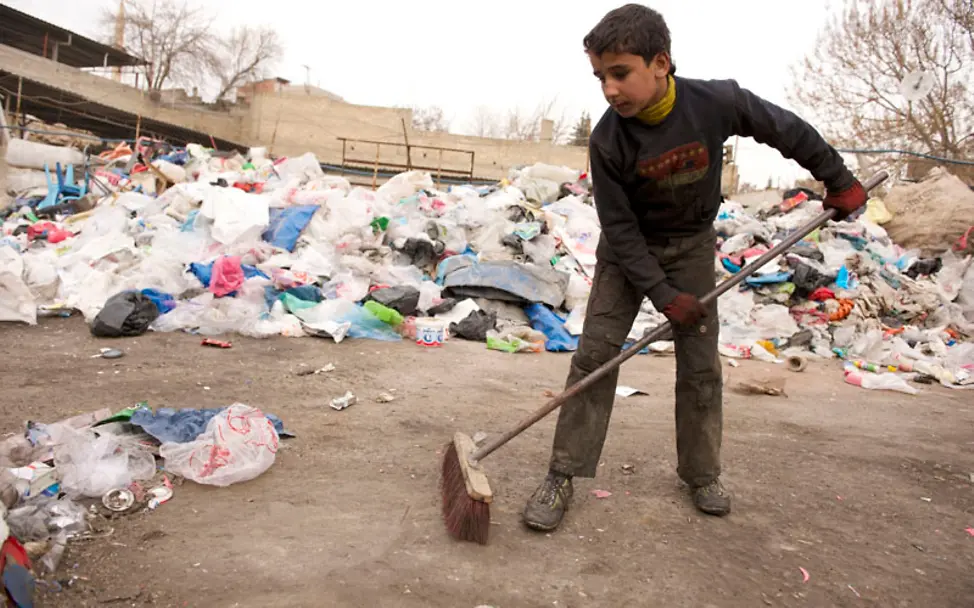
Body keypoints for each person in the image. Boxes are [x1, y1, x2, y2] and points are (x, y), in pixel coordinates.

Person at [522, 3, 867, 532]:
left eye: (620, 73)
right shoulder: (608, 140)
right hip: (627, 256)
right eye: (600, 77)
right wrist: (662, 294)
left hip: (690, 246)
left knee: (702, 365)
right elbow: (619, 230)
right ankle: (562, 473)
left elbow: (785, 129)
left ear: (660, 63)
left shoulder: (715, 102)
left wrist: (837, 178)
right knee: (594, 357)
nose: (610, 90)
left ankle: (702, 473)